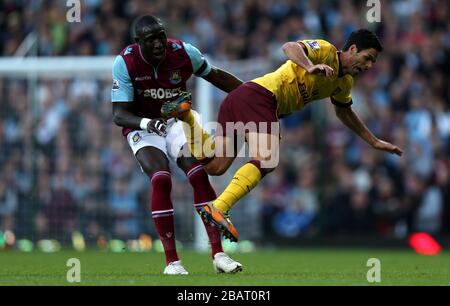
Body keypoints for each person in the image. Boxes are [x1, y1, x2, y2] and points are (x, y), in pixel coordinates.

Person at [163, 29, 404, 242]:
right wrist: (310, 66)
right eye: (367, 58)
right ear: (352, 49)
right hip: (261, 96)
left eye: (373, 61)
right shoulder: (327, 51)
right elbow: (289, 47)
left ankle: (187, 117)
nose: (369, 65)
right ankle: (219, 207)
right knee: (267, 158)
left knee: (215, 166)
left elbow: (345, 112)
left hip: (241, 99)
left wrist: (373, 141)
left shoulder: (344, 83)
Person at [111, 15, 244, 275]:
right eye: (151, 40)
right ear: (139, 43)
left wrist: (252, 93)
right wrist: (147, 123)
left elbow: (215, 76)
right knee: (161, 179)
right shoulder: (125, 62)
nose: (159, 44)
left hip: (177, 121)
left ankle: (218, 254)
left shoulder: (183, 52)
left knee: (197, 172)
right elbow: (119, 114)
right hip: (144, 127)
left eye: (161, 36)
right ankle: (172, 262)